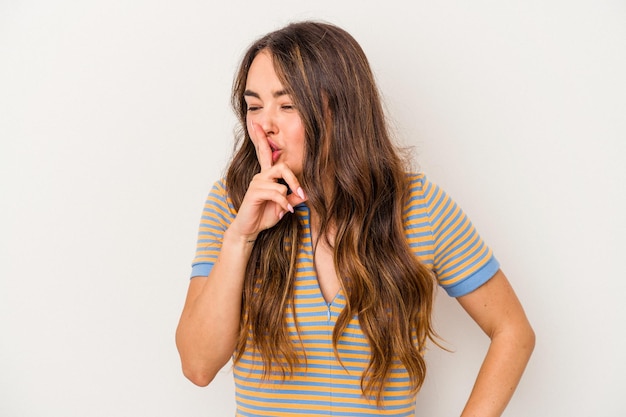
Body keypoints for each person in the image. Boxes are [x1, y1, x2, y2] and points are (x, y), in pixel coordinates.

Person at [175, 20, 535, 417]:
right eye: (254, 106)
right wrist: (239, 238)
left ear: (338, 110)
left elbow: (513, 332)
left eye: (288, 104)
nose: (265, 125)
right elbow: (198, 366)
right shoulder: (231, 203)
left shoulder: (417, 206)